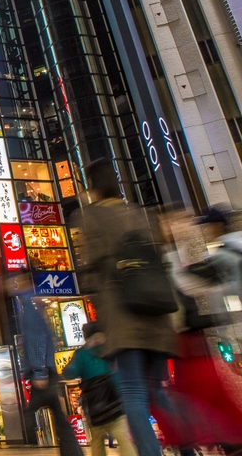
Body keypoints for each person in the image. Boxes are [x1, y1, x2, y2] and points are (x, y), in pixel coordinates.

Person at [77, 158, 178, 456]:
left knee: (133, 394)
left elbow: (92, 270)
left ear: (92, 186)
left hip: (124, 318)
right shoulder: (141, 214)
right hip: (159, 317)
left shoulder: (91, 217)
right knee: (157, 393)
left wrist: (99, 325)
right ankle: (205, 435)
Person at [8, 272, 82, 456]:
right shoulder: (29, 309)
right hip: (45, 371)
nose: (7, 285)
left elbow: (37, 342)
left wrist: (40, 373)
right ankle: (72, 453)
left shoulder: (28, 311)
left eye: (11, 282)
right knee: (57, 416)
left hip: (42, 372)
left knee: (36, 412)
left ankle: (70, 452)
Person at [62, 322, 137, 456]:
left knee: (98, 439)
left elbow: (69, 372)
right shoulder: (105, 350)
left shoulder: (82, 354)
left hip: (95, 405)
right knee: (122, 437)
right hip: (112, 403)